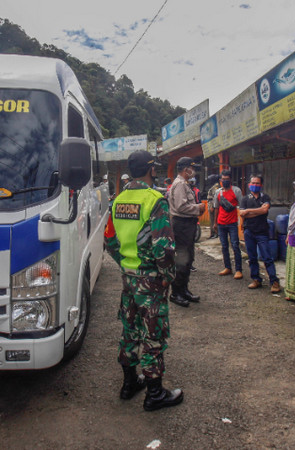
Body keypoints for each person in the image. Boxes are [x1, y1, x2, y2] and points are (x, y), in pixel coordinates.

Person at [104, 150, 183, 412]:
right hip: (150, 280)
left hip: (129, 278)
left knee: (130, 330)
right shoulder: (155, 200)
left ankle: (129, 385)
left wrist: (127, 265)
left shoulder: (118, 200)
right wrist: (166, 276)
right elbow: (164, 248)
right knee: (153, 335)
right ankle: (155, 393)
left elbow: (110, 241)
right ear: (151, 170)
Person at [167, 157, 206, 307]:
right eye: (192, 168)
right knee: (182, 260)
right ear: (186, 169)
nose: (193, 171)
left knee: (188, 258)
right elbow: (181, 207)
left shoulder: (184, 184)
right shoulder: (180, 185)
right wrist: (198, 208)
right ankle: (176, 293)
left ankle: (184, 290)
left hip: (187, 225)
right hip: (181, 225)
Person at [239, 175, 281, 294]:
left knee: (267, 257)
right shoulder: (245, 199)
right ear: (249, 184)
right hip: (249, 231)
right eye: (253, 183)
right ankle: (256, 279)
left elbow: (265, 210)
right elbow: (242, 214)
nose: (255, 185)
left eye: (257, 183)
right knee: (252, 258)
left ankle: (274, 281)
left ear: (261, 185)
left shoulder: (265, 197)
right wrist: (256, 211)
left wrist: (248, 211)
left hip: (262, 232)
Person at [211, 170, 243, 279]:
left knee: (235, 245)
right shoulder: (218, 192)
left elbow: (242, 206)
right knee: (224, 246)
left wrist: (243, 222)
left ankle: (238, 269)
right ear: (220, 180)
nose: (225, 181)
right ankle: (227, 267)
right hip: (221, 223)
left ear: (230, 179)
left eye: (226, 179)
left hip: (232, 223)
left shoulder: (236, 191)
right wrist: (215, 223)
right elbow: (216, 208)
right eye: (223, 179)